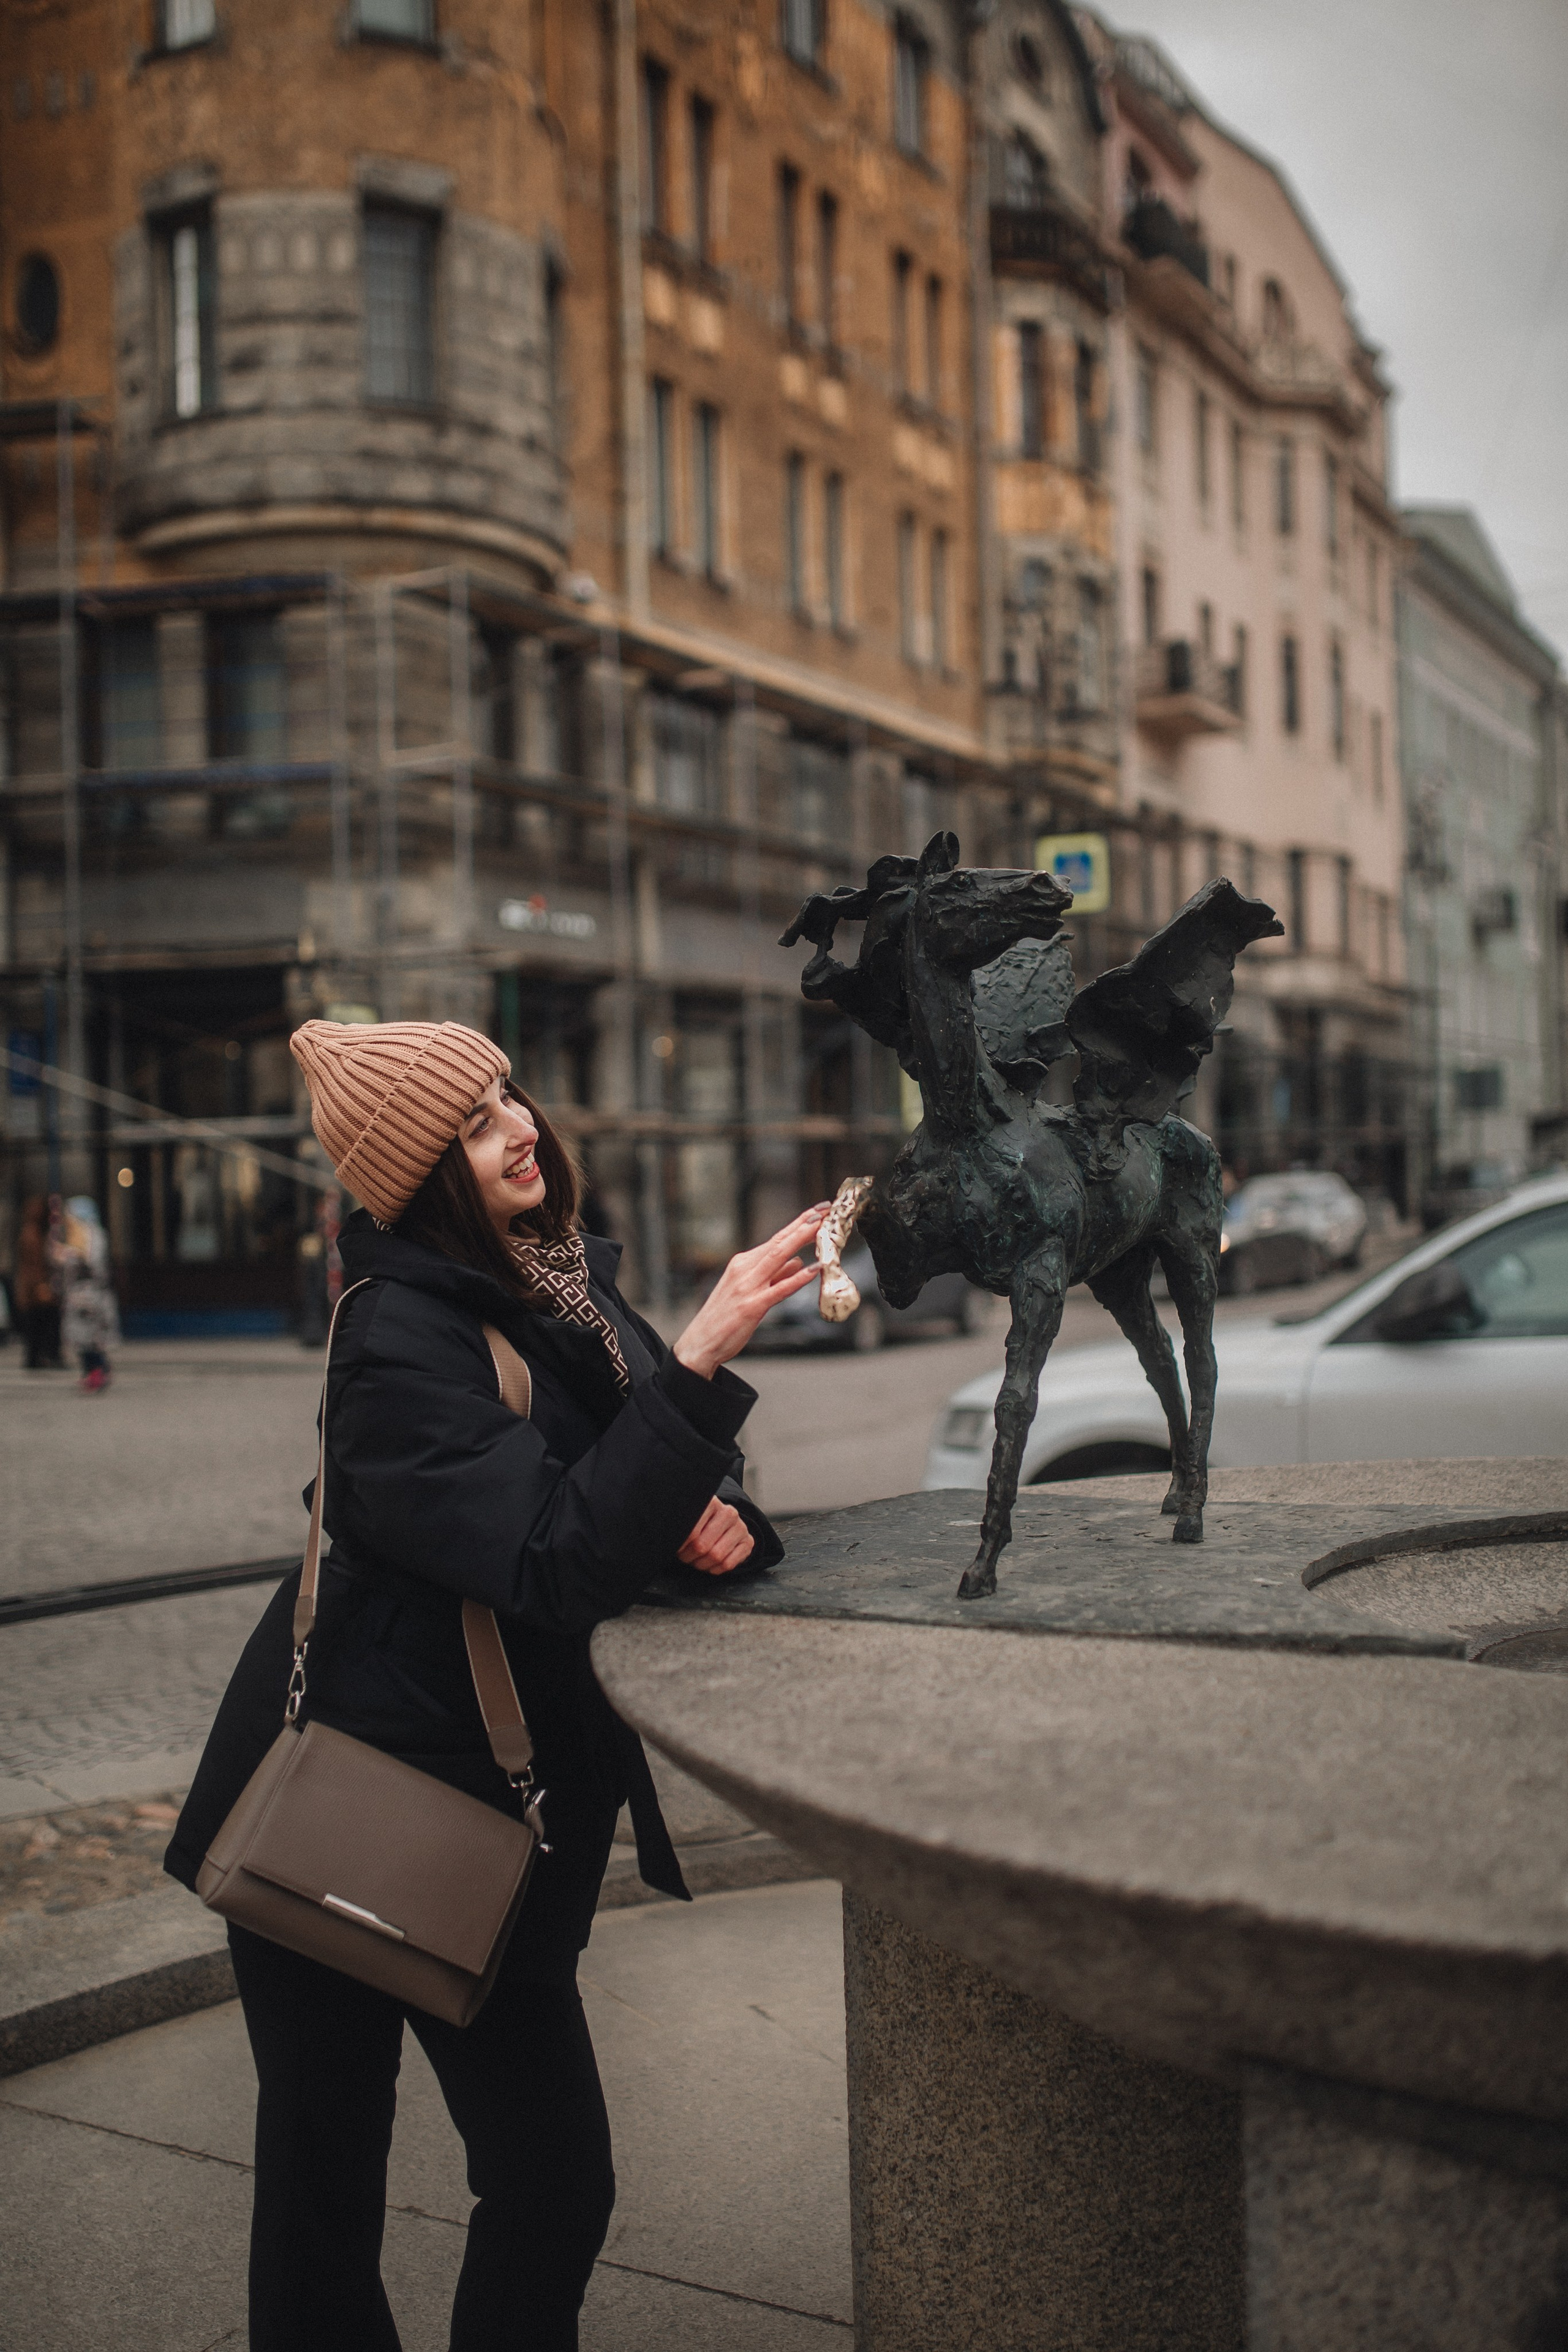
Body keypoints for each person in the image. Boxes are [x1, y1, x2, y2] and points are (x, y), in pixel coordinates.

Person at [164, 1019, 827, 2352]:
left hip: (497, 1819)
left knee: (551, 2183)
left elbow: (647, 1467)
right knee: (324, 2199)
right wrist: (703, 1356)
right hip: (347, 1811)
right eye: (474, 1121)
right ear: (419, 1174)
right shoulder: (394, 1341)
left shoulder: (557, 1281)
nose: (520, 1125)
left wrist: (726, 1526)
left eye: (508, 1094)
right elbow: (552, 1554)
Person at [55, 1194, 119, 1392]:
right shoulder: (78, 1234)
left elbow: (90, 1262)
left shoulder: (93, 1235)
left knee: (92, 1339)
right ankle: (91, 1371)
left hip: (91, 1296)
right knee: (82, 1340)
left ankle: (99, 1371)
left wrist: (68, 1256)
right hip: (80, 1296)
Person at [13, 1194, 62, 1371]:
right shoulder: (32, 1235)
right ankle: (41, 1357)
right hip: (35, 1287)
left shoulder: (35, 1232)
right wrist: (41, 1284)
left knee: (38, 1323)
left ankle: (37, 1357)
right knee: (42, 1321)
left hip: (32, 1286)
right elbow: (34, 1265)